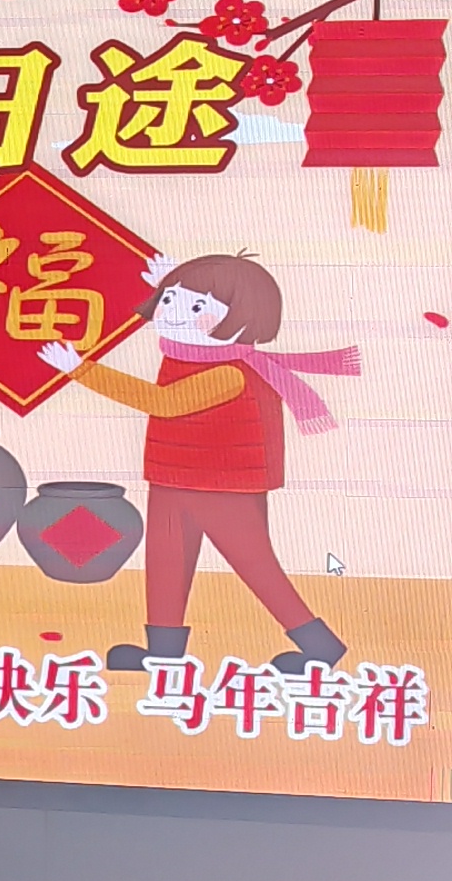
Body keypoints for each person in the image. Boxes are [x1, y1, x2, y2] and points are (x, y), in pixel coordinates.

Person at [39, 249, 357, 673]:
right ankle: (163, 652)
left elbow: (164, 403)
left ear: (245, 317)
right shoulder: (187, 355)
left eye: (196, 307)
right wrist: (172, 283)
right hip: (172, 473)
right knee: (166, 560)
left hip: (223, 484)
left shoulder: (229, 370)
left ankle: (321, 646)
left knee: (255, 564)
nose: (172, 313)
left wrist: (82, 370)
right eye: (168, 300)